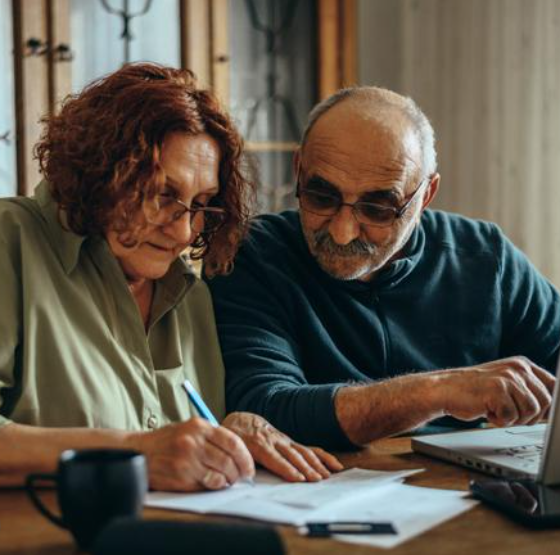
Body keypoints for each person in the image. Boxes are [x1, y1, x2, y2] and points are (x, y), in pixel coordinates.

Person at [0, 62, 342, 490]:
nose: (183, 231)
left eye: (200, 204)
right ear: (100, 173)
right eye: (162, 195)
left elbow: (182, 443)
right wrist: (136, 451)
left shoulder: (191, 295)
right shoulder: (10, 242)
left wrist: (229, 431)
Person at [205, 86, 560, 449]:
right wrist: (439, 391)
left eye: (378, 209)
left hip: (470, 493)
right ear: (299, 170)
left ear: (425, 196)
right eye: (321, 197)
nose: (342, 233)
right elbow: (263, 411)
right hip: (321, 497)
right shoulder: (250, 256)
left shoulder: (486, 257)